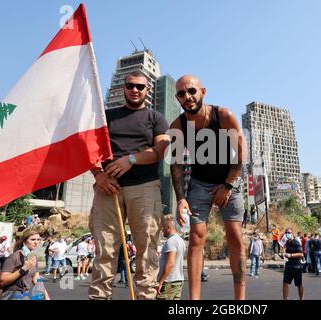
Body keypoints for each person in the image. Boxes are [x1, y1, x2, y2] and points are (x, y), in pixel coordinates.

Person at [88, 70, 170, 300]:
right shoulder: (106, 117)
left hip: (144, 187)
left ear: (148, 90)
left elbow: (159, 151)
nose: (135, 90)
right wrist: (99, 176)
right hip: (107, 189)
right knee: (105, 250)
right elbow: (89, 149)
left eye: (140, 87)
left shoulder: (156, 118)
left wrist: (130, 159)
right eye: (130, 85)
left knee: (147, 251)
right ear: (123, 87)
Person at [169, 75, 247, 300]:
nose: (187, 97)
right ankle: (194, 300)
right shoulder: (178, 126)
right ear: (177, 98)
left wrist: (227, 185)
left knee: (235, 236)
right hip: (199, 184)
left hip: (229, 179)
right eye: (182, 94)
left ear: (203, 91)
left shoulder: (223, 115)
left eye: (191, 91)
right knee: (196, 237)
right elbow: (176, 165)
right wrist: (181, 198)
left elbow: (241, 154)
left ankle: (240, 300)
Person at [0, 229, 50, 300]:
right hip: (12, 295)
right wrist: (24, 268)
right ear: (24, 241)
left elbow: (37, 279)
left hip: (26, 295)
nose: (36, 242)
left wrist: (47, 296)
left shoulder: (33, 257)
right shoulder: (14, 257)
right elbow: (2, 281)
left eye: (38, 240)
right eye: (32, 239)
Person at [156, 215, 186, 300]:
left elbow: (170, 263)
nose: (162, 230)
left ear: (168, 227)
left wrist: (161, 281)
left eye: (163, 228)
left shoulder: (171, 241)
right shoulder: (180, 240)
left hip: (169, 282)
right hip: (178, 281)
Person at [282, 228, 304, 300]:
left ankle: (301, 298)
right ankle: (285, 298)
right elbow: (287, 253)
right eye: (286, 233)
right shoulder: (287, 243)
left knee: (299, 284)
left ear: (292, 233)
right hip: (288, 266)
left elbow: (301, 255)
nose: (287, 234)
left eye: (289, 233)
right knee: (285, 283)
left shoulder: (296, 243)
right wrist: (284, 254)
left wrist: (291, 255)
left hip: (296, 266)